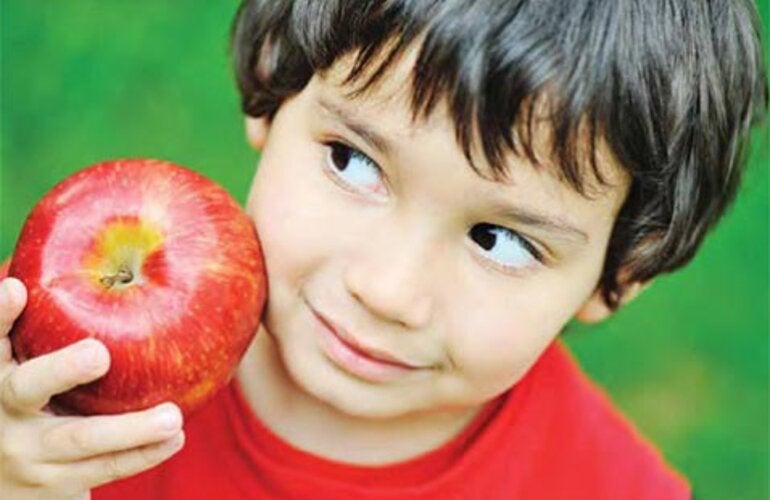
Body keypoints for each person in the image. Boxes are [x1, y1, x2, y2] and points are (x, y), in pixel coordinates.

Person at [0, 0, 766, 498]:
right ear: (275, 85)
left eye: (499, 240)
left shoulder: (606, 488)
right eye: (352, 162)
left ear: (621, 274)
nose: (388, 289)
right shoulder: (44, 376)